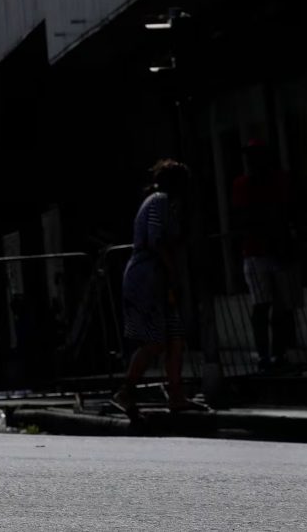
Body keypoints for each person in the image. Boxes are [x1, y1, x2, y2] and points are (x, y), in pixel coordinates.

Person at [115, 159, 195, 421]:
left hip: (158, 280)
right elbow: (156, 239)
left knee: (175, 338)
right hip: (146, 279)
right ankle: (125, 391)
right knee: (155, 341)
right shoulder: (159, 201)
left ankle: (176, 395)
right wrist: (173, 273)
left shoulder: (165, 204)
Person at [231, 141, 298, 371]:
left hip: (266, 250)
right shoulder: (254, 183)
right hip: (263, 251)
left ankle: (271, 354)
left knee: (270, 305)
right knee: (269, 305)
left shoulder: (265, 182)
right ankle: (269, 354)